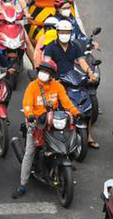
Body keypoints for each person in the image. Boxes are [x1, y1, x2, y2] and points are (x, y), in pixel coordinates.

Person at [14, 64, 78, 196]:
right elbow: (26, 104)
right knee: (30, 151)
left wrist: (76, 112)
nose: (43, 73)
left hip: (52, 121)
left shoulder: (57, 86)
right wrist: (30, 115)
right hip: (36, 122)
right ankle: (22, 184)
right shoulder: (32, 86)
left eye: (46, 72)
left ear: (52, 75)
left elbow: (66, 102)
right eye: (41, 71)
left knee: (68, 138)